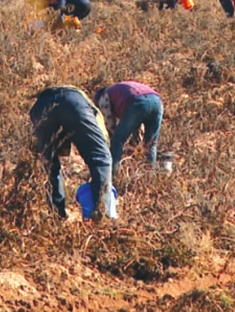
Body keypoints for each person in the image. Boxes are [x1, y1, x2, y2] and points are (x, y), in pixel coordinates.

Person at [29, 86, 116, 222]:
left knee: (49, 164)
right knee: (101, 159)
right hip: (72, 101)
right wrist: (98, 174)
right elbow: (102, 146)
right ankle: (103, 216)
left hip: (40, 106)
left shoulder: (46, 100)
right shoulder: (87, 104)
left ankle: (57, 217)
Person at [93, 81, 163, 178]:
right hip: (157, 102)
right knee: (150, 144)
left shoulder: (103, 97)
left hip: (138, 103)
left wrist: (110, 144)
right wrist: (133, 143)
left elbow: (110, 126)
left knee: (117, 141)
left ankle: (113, 176)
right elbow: (138, 124)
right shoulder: (118, 91)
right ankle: (149, 177)